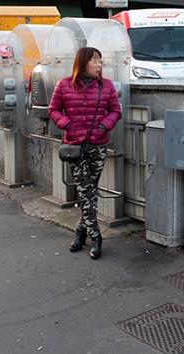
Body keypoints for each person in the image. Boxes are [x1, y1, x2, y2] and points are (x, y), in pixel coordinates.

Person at [48, 47, 122, 260]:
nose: (100, 65)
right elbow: (53, 110)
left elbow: (116, 111)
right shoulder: (64, 85)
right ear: (83, 62)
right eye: (95, 61)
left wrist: (102, 127)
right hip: (75, 146)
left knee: (89, 192)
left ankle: (80, 232)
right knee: (86, 191)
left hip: (98, 146)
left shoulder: (106, 85)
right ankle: (96, 237)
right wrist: (68, 125)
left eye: (101, 61)